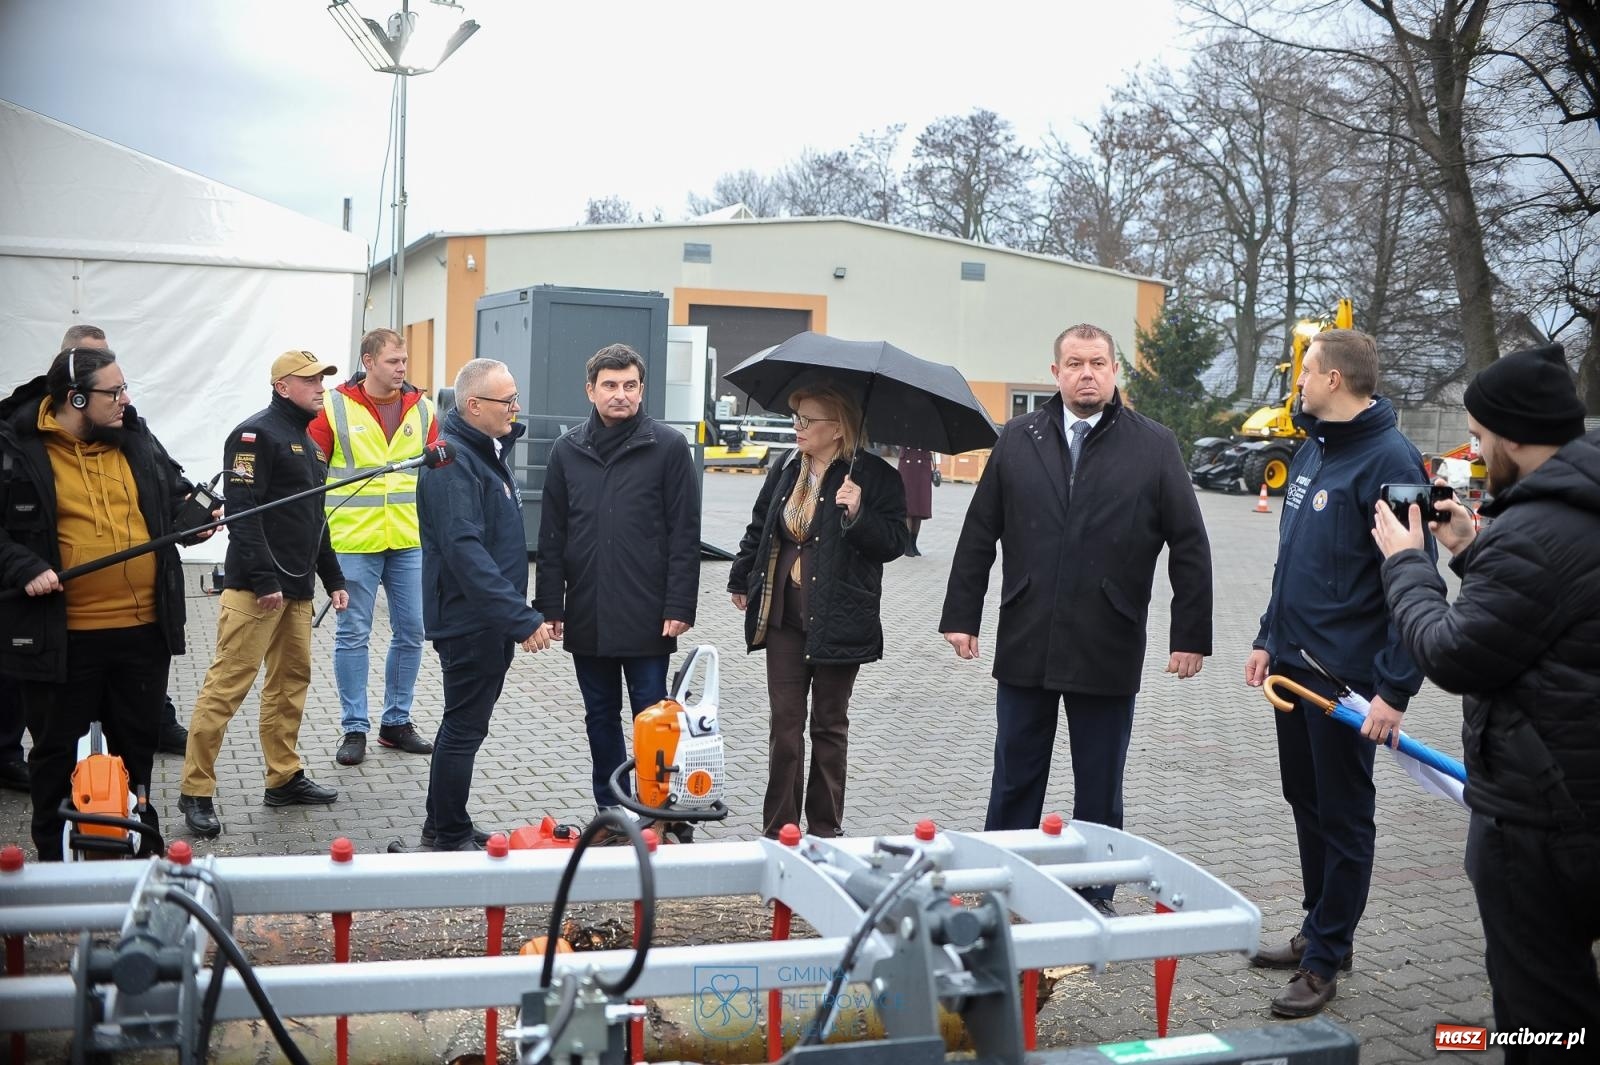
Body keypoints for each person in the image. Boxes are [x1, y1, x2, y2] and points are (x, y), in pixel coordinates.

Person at [939, 323, 1212, 918]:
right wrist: (962, 614)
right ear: (1055, 372)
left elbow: (1190, 543)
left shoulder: (1154, 445)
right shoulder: (1017, 438)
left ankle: (1096, 893)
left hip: (1107, 637)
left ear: (1115, 371)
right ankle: (999, 884)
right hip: (1028, 632)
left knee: (1099, 784)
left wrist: (1190, 635)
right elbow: (979, 531)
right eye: (1074, 363)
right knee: (1014, 776)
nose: (1087, 373)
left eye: (1098, 362)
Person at [1373, 343, 1599, 1056]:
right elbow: (1539, 619)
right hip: (1582, 795)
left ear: (1515, 435)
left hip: (1543, 819)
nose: (1472, 451)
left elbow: (1454, 652)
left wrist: (1409, 566)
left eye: (1477, 436)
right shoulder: (1574, 512)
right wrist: (1473, 551)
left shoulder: (1535, 532)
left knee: (1545, 1010)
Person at [1243, 327, 1432, 1018]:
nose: (1299, 381)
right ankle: (1321, 928)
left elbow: (1415, 584)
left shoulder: (1392, 460)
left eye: (1307, 370)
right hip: (1293, 668)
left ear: (1335, 380)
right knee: (1307, 800)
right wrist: (1268, 635)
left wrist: (1394, 688)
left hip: (1347, 682)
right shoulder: (1316, 445)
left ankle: (1325, 959)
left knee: (1345, 817)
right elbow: (1293, 558)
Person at [0, 344, 205, 859]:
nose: (125, 400)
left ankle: (142, 855)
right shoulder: (16, 450)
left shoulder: (133, 436)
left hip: (141, 635)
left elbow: (175, 493)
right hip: (60, 640)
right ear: (74, 398)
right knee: (52, 758)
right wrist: (23, 567)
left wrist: (194, 520)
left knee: (136, 753)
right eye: (113, 392)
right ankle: (53, 863)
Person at [177, 351, 349, 838]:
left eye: (322, 379)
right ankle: (196, 791)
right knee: (227, 687)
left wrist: (333, 579)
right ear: (282, 386)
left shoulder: (311, 444)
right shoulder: (253, 436)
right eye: (310, 379)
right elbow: (243, 513)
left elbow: (315, 520)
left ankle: (284, 777)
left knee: (290, 685)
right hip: (257, 590)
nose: (320, 387)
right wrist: (265, 579)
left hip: (296, 592)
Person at [727, 383, 908, 839]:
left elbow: (893, 544)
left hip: (840, 617)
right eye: (796, 419)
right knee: (785, 728)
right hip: (785, 617)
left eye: (807, 421)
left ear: (837, 428)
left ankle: (825, 830)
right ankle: (779, 831)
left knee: (829, 726)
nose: (797, 428)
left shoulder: (874, 478)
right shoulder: (786, 467)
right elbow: (761, 525)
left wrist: (859, 512)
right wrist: (740, 576)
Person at [535, 344, 701, 826]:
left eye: (630, 385)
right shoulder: (567, 451)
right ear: (591, 390)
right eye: (610, 385)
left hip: (650, 615)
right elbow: (552, 535)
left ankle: (658, 808)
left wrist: (679, 604)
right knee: (599, 718)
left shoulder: (668, 447)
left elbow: (684, 534)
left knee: (653, 718)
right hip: (587, 612)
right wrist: (551, 605)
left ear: (642, 389)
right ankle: (611, 809)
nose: (621, 394)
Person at [417, 358, 555, 851]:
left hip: (486, 619)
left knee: (465, 724)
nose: (516, 408)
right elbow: (464, 551)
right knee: (463, 727)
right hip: (470, 620)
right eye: (508, 400)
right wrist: (518, 619)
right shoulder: (453, 461)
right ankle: (448, 835)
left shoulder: (485, 453)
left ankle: (443, 821)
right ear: (473, 405)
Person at [307, 328, 438, 767]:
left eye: (404, 361)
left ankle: (396, 723)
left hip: (407, 539)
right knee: (352, 635)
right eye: (393, 361)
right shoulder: (333, 407)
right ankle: (354, 727)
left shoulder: (423, 409)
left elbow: (438, 472)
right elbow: (308, 468)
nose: (402, 368)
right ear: (368, 361)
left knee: (412, 632)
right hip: (351, 540)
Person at [898, 446, 933, 557]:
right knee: (909, 507)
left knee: (920, 506)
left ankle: (913, 543)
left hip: (923, 463)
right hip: (908, 461)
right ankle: (907, 544)